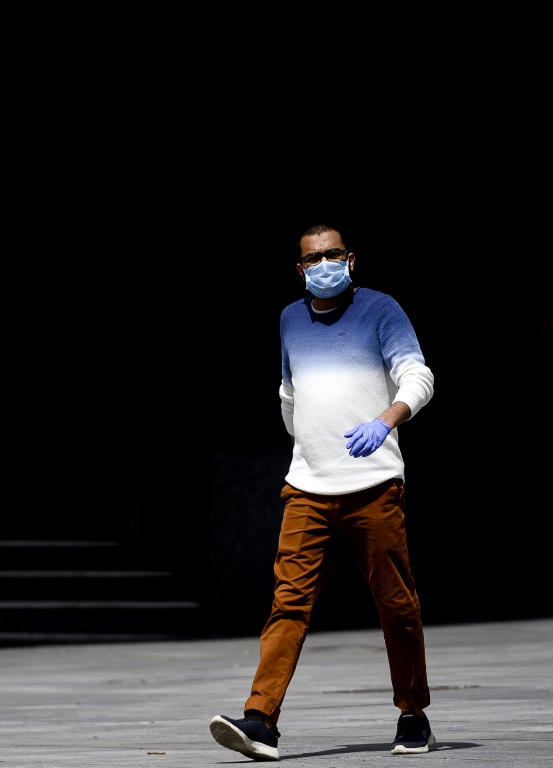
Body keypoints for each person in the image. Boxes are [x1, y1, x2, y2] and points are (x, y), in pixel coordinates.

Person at [209, 224, 437, 760]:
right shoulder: (290, 318)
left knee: (396, 604)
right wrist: (307, 442)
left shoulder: (381, 309)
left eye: (333, 254)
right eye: (314, 258)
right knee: (287, 602)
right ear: (300, 268)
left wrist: (385, 420)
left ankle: (413, 714)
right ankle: (260, 720)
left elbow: (418, 376)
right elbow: (289, 393)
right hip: (307, 487)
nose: (324, 263)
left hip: (373, 485)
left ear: (351, 259)